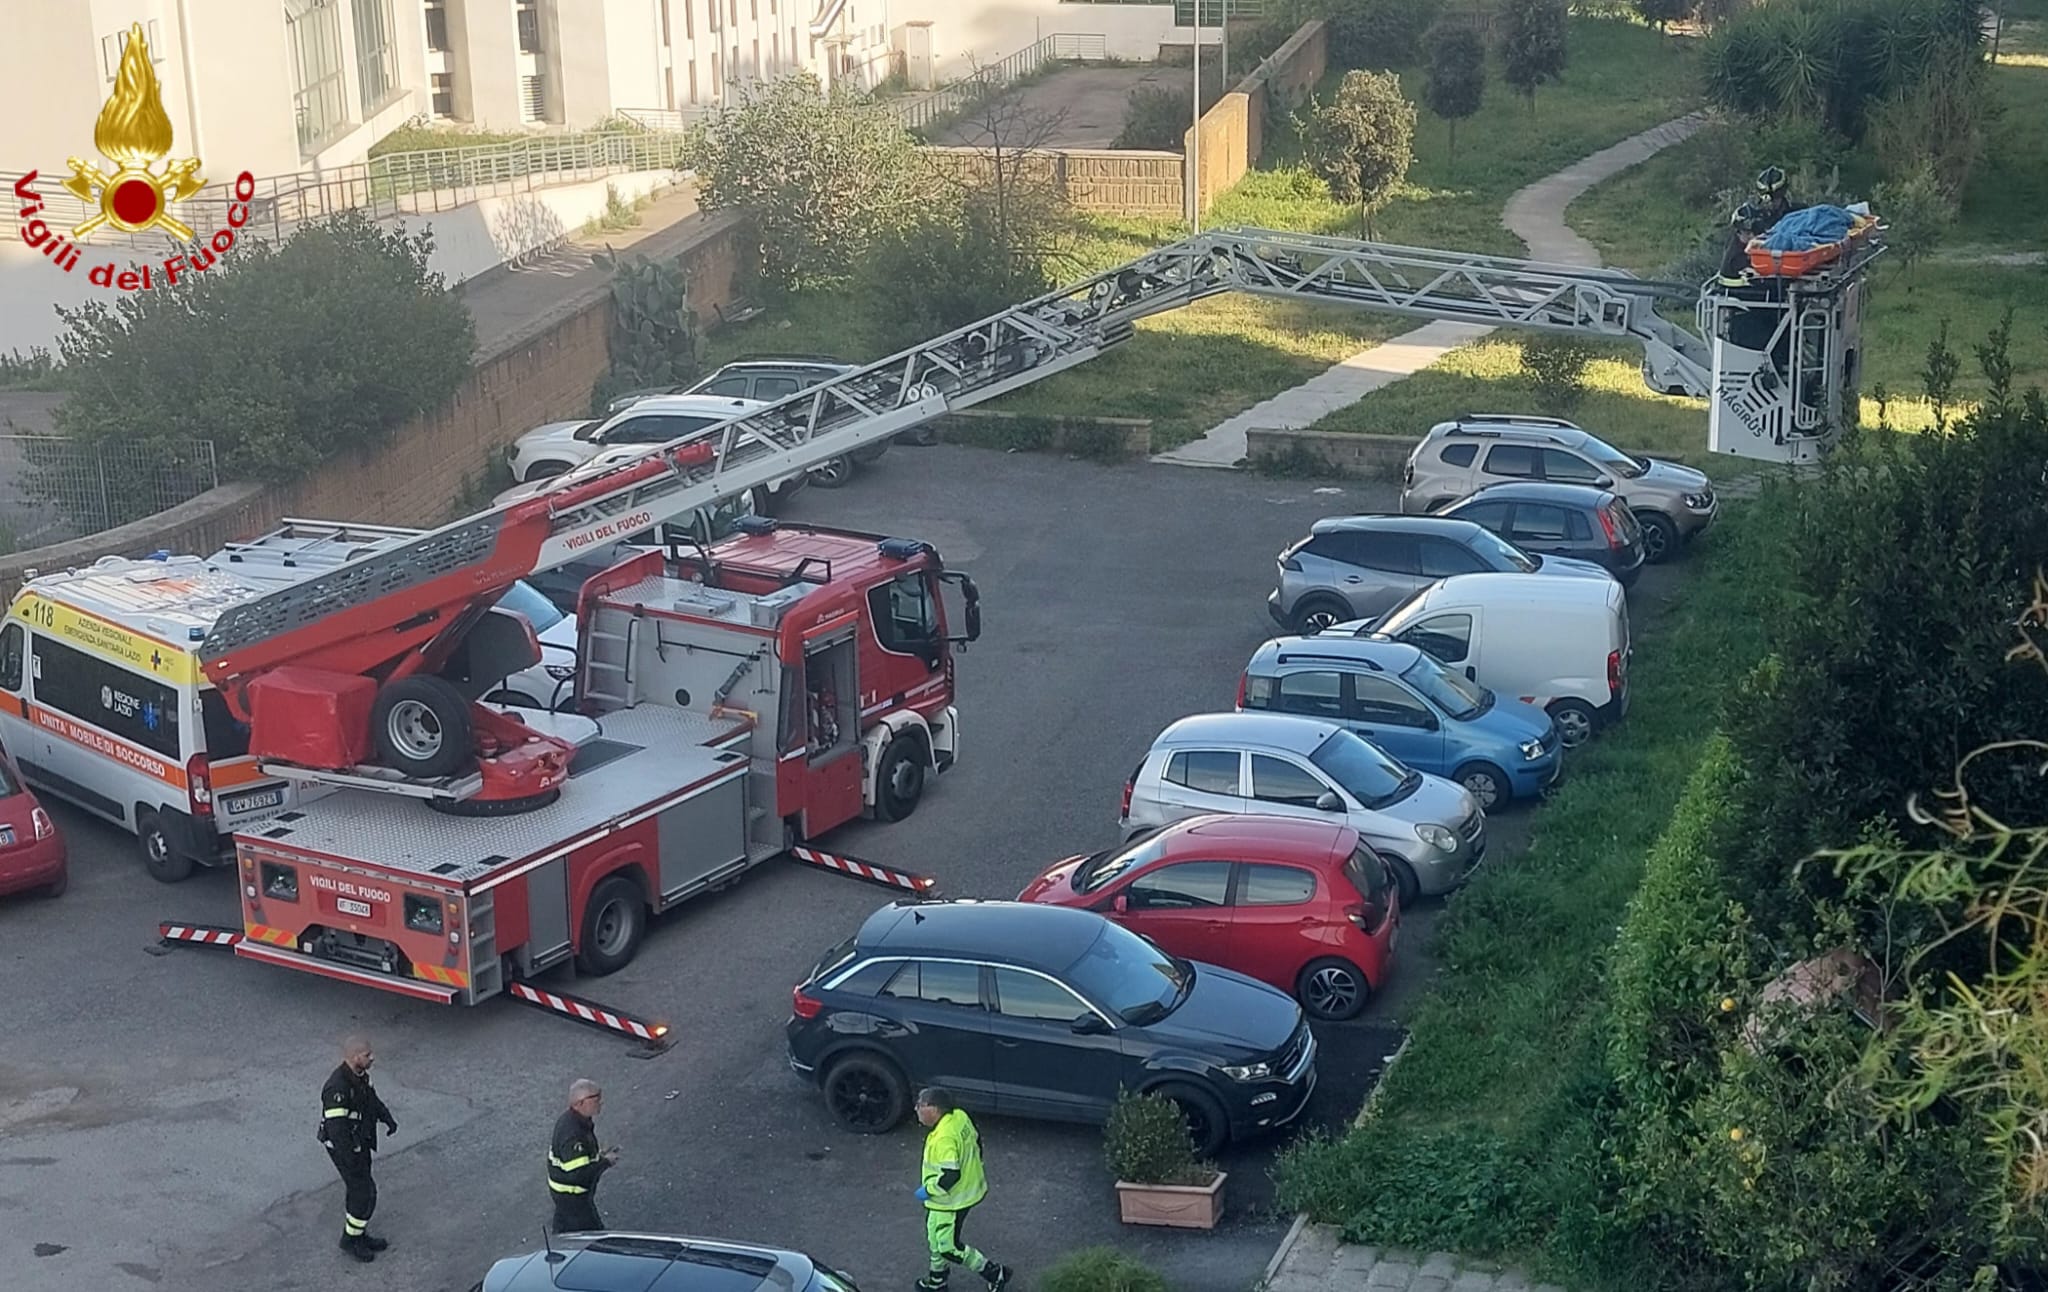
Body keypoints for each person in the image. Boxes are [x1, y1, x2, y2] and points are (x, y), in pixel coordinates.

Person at [913, 1088, 1011, 1292]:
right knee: (935, 1238)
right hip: (960, 1195)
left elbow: (951, 1175)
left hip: (949, 1201)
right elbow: (976, 1140)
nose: (916, 1109)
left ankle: (995, 1273)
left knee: (948, 1247)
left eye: (921, 1105)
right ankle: (937, 1282)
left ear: (934, 1109)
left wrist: (927, 1190)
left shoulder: (943, 1138)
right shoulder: (959, 1116)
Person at [318, 1034, 398, 1263]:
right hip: (345, 1149)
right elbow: (337, 1131)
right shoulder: (337, 1087)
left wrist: (387, 1118)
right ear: (355, 1057)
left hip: (359, 1143)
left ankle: (358, 1235)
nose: (372, 1058)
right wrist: (351, 1159)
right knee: (363, 1193)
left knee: (362, 1192)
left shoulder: (360, 1077)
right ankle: (350, 1240)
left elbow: (372, 1101)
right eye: (367, 1055)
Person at [548, 1078, 619, 1234]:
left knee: (564, 1230)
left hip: (564, 1196)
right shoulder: (573, 1135)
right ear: (580, 1103)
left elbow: (579, 1160)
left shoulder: (573, 1120)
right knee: (592, 1236)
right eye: (596, 1099)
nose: (601, 1102)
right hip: (573, 1196)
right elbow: (579, 1174)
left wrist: (598, 1155)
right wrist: (605, 1162)